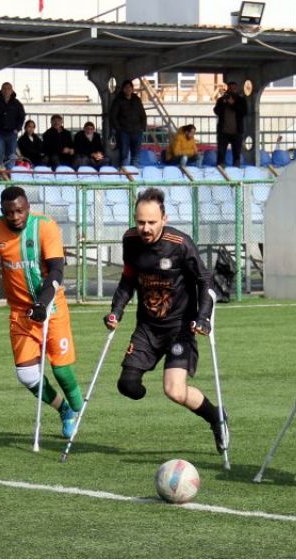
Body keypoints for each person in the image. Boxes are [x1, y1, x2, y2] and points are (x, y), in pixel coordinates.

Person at [104, 188, 227, 454]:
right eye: (140, 222)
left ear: (164, 218)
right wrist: (116, 311)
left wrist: (203, 318)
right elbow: (128, 278)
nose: (145, 228)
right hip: (147, 328)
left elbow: (205, 280)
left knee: (174, 390)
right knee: (128, 386)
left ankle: (216, 417)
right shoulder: (130, 240)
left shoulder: (179, 243)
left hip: (179, 329)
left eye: (151, 222)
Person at [0, 186, 84, 438]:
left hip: (52, 307)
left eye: (19, 211)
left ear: (27, 207)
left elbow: (57, 271)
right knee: (27, 376)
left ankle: (80, 408)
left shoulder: (45, 226)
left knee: (60, 369)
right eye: (9, 212)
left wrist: (42, 303)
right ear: (2, 212)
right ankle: (65, 410)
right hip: (20, 312)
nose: (15, 216)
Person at [0, 82, 25, 168]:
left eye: (8, 88)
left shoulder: (17, 103)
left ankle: (10, 173)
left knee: (12, 155)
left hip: (12, 133)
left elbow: (21, 117)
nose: (6, 90)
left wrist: (17, 129)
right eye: (4, 88)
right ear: (1, 90)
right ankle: (0, 174)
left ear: (12, 91)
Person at [109, 79, 147, 167]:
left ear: (132, 89)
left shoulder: (137, 99)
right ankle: (124, 173)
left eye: (130, 87)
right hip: (124, 132)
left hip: (137, 131)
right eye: (126, 87)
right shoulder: (118, 100)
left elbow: (143, 114)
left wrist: (142, 127)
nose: (128, 89)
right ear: (123, 89)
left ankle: (134, 174)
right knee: (124, 155)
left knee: (136, 155)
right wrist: (119, 129)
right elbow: (113, 116)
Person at [213, 82, 247, 167]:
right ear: (228, 89)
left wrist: (233, 104)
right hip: (223, 131)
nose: (232, 90)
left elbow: (244, 112)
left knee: (237, 151)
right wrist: (224, 102)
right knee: (221, 151)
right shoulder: (221, 100)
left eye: (234, 89)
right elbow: (216, 111)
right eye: (231, 89)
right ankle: (221, 166)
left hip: (237, 131)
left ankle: (236, 166)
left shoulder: (241, 100)